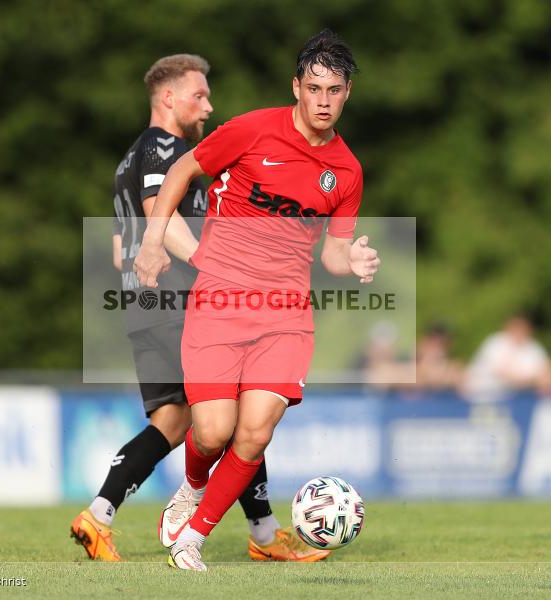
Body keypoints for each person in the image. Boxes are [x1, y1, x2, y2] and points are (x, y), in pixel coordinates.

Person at [133, 30, 380, 571]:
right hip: (220, 298)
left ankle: (193, 539)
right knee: (212, 432)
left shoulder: (347, 171)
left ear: (346, 94)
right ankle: (193, 485)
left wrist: (354, 260)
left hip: (286, 312)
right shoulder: (252, 130)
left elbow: (333, 252)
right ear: (296, 87)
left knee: (254, 431)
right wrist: (153, 240)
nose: (322, 101)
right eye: (313, 88)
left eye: (333, 90)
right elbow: (182, 170)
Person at [71, 54, 327, 563]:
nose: (208, 106)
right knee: (238, 411)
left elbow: (122, 247)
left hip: (143, 303)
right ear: (168, 98)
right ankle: (264, 535)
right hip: (180, 301)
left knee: (173, 421)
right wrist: (215, 266)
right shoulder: (164, 147)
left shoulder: (129, 157)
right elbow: (159, 219)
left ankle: (98, 516)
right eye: (199, 95)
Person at [463, 314, 551, 402]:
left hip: (510, 401)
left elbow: (548, 371)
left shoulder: (533, 347)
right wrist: (534, 380)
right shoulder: (496, 343)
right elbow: (505, 375)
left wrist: (550, 376)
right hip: (481, 398)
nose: (519, 331)